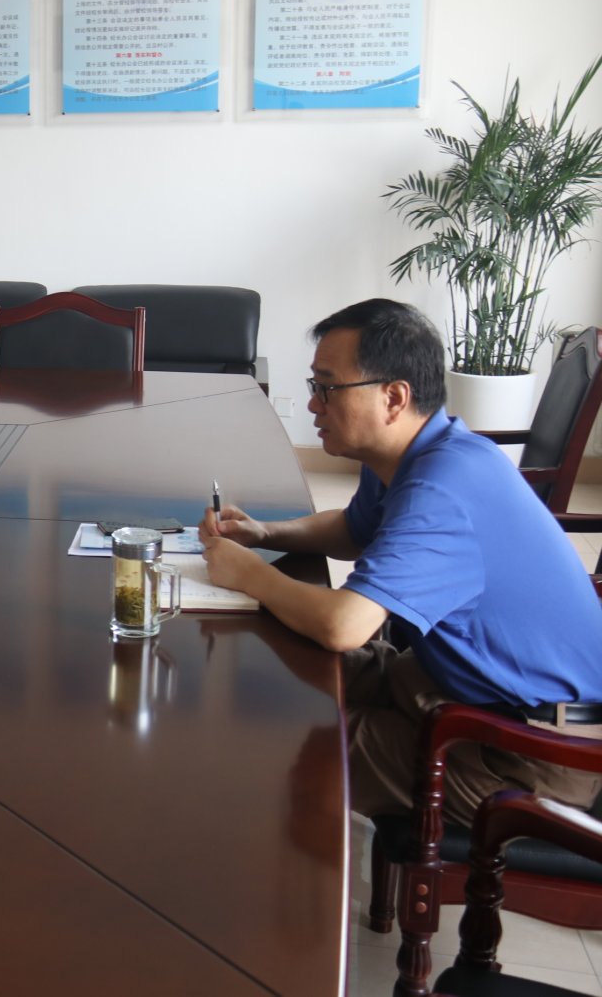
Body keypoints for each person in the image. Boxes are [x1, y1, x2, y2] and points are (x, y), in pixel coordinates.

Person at [199, 298, 602, 825]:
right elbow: (354, 529)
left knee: (281, 739)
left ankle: (290, 871)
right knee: (266, 666)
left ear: (393, 397)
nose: (313, 404)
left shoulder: (444, 490)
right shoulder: (414, 452)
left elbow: (345, 626)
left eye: (327, 388)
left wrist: (250, 574)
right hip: (448, 685)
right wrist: (264, 533)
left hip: (526, 747)